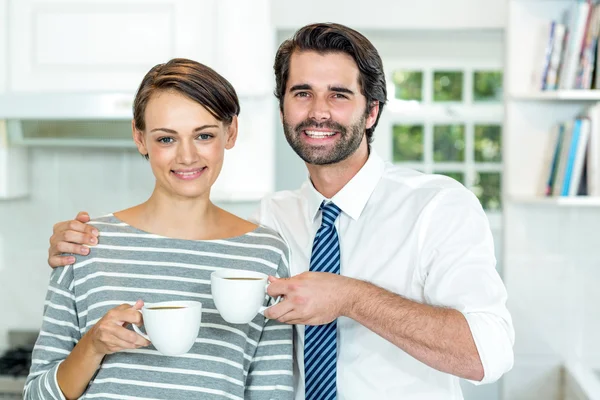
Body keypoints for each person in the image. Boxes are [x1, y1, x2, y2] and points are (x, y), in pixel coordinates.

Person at [45, 23, 514, 400]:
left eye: (339, 94)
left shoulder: (436, 205)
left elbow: (487, 356)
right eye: (302, 92)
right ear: (284, 106)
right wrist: (81, 244)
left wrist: (351, 298)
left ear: (371, 111)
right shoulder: (272, 220)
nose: (318, 111)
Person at [25, 58, 293, 400]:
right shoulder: (86, 244)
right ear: (140, 138)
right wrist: (93, 345)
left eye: (204, 135)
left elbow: (273, 392)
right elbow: (36, 394)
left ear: (232, 132)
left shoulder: (265, 252)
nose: (186, 156)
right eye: (167, 139)